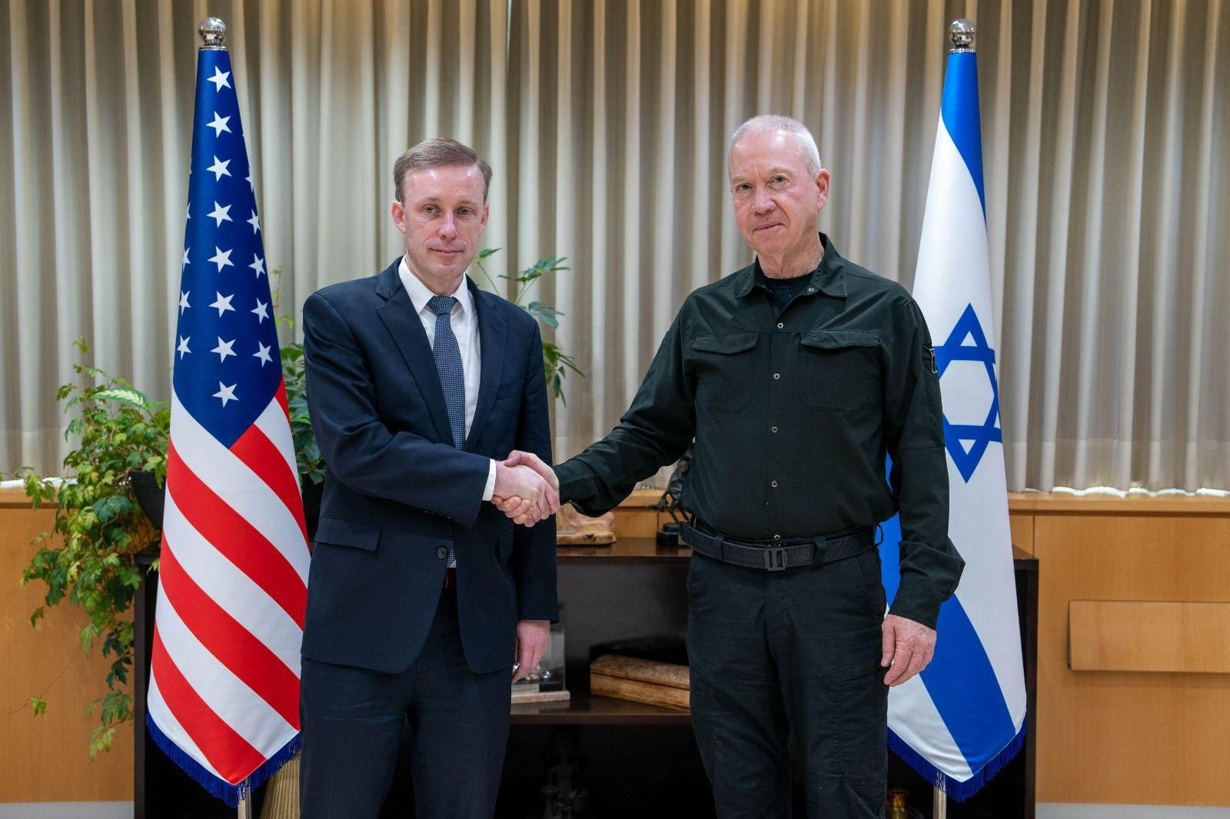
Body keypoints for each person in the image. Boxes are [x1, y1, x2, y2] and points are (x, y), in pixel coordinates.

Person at [501, 115, 964, 817]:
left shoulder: (885, 312)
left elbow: (925, 460)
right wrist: (560, 481)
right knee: (742, 791)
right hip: (725, 594)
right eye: (744, 186)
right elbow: (646, 434)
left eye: (778, 181)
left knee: (846, 790)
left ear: (819, 187)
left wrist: (920, 600)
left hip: (836, 593)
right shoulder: (706, 315)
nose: (761, 201)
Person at [299, 137, 561, 818]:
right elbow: (358, 450)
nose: (448, 228)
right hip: (362, 621)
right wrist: (486, 479)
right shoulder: (339, 314)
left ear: (483, 217)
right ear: (399, 214)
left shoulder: (516, 332)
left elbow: (532, 466)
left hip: (474, 627)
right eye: (431, 208)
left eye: (464, 210)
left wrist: (536, 608)